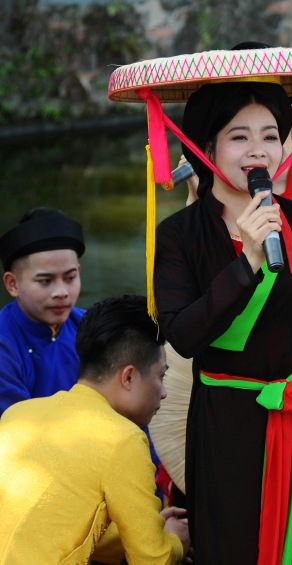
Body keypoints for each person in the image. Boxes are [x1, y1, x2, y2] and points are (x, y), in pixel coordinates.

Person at [154, 79, 292, 564]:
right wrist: (247, 260)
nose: (259, 150)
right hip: (227, 424)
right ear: (207, 147)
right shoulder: (179, 236)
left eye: (270, 135)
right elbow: (184, 336)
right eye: (240, 136)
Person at [0, 294, 190, 564]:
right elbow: (152, 559)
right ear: (129, 377)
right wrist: (173, 542)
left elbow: (60, 523)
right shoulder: (124, 439)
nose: (164, 393)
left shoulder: (18, 414)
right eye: (161, 376)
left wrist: (145, 527)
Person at [181, 41, 292, 244]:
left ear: (288, 113)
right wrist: (197, 197)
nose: (256, 151)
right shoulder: (216, 185)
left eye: (268, 101)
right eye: (239, 136)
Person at [0, 207, 85, 415]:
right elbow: (17, 430)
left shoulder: (90, 326)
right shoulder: (4, 344)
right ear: (13, 284)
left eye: (70, 278)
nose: (61, 292)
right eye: (45, 281)